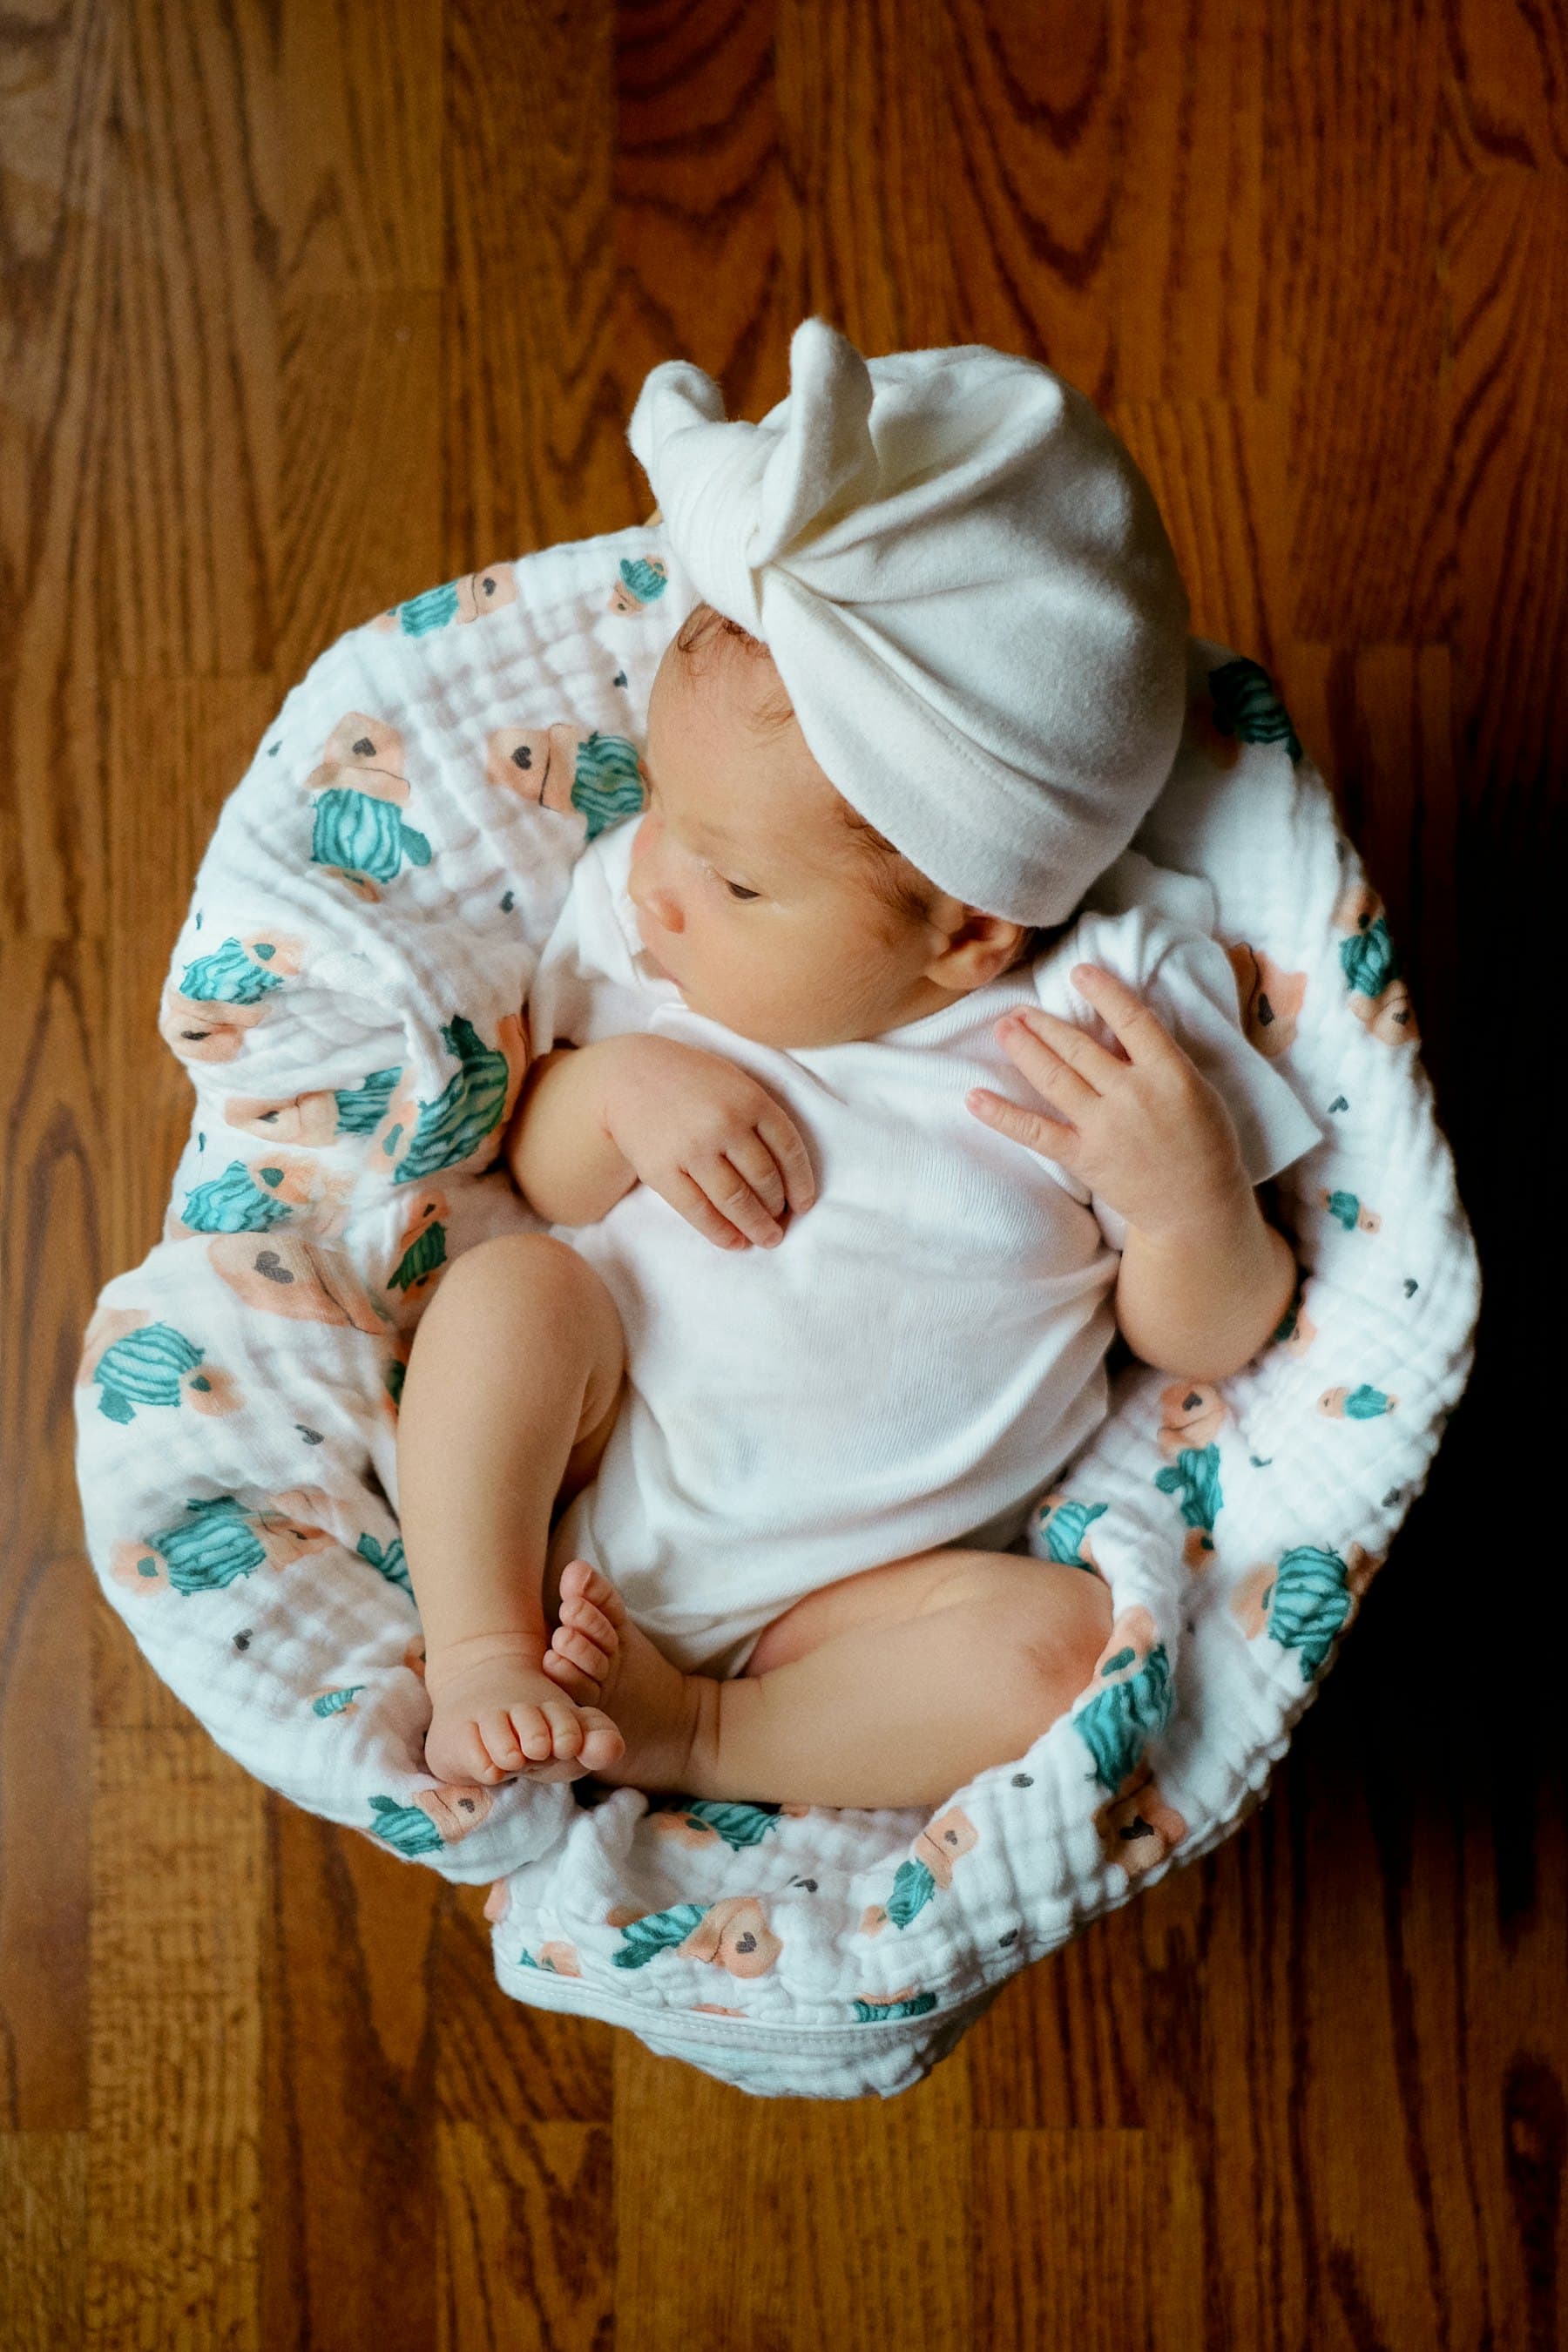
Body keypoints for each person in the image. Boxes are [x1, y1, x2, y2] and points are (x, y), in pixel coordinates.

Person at [394, 321, 1321, 1809]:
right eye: (668, 820)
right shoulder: (666, 940)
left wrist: (1191, 1198)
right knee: (513, 1296)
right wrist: (621, 1093)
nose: (661, 885)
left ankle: (705, 1736)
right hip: (591, 1451)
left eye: (739, 880)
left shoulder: (1115, 1009)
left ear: (965, 933)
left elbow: (1212, 1338)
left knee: (1062, 1651)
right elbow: (541, 1176)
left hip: (858, 1601)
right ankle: (481, 1648)